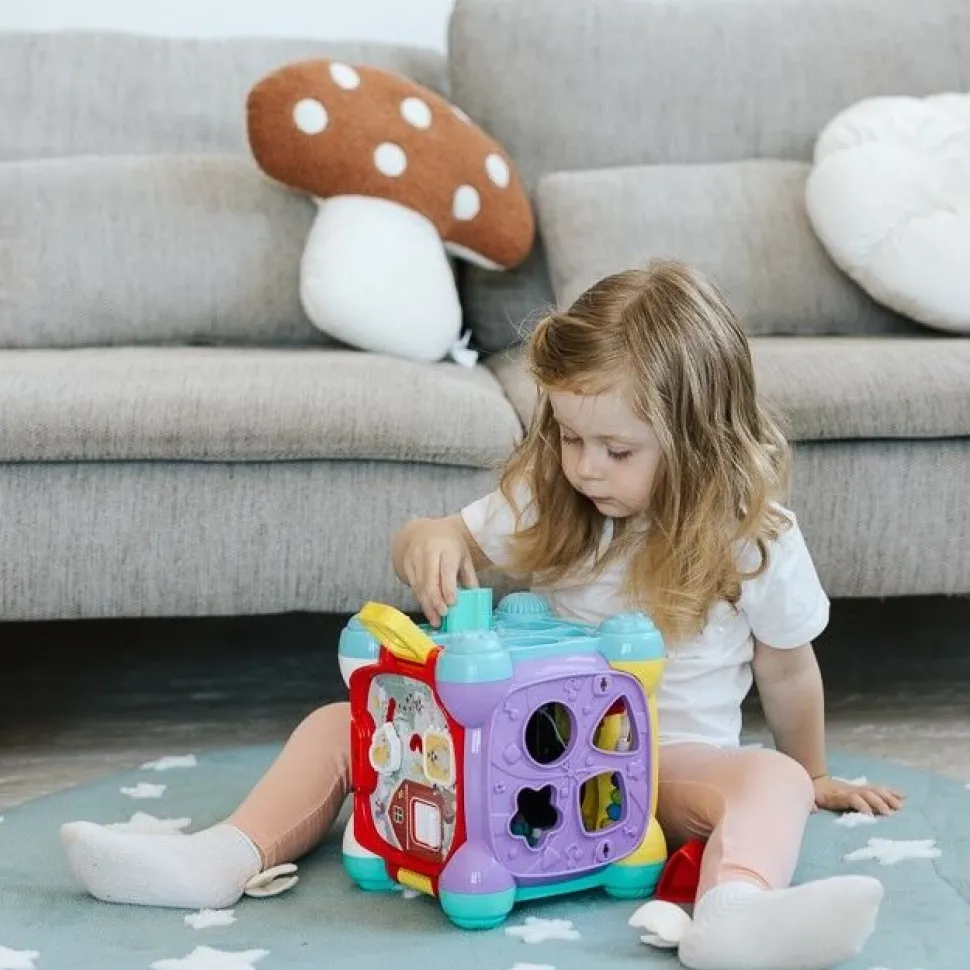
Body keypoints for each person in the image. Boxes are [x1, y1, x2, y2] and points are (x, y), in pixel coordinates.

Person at [60, 260, 903, 970]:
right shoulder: (557, 496)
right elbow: (435, 531)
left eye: (617, 450)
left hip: (655, 772)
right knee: (338, 723)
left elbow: (787, 669)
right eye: (569, 438)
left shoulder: (755, 537)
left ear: (701, 439)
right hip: (505, 756)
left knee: (775, 780)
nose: (586, 467)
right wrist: (427, 542)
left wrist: (814, 770)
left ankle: (734, 912)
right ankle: (222, 857)